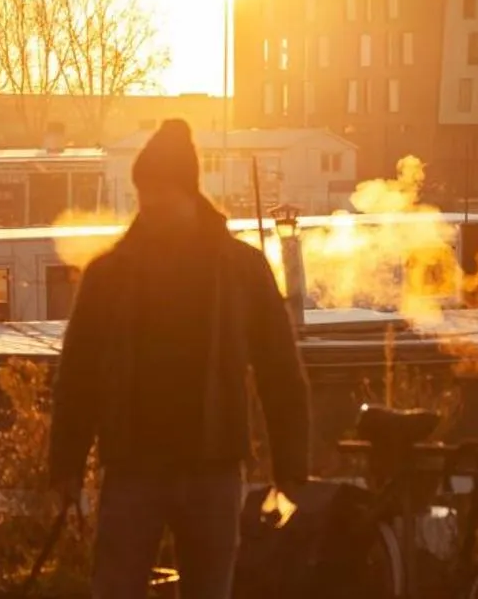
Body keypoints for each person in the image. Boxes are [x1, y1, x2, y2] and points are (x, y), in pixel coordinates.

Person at [51, 119, 310, 599]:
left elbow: (280, 373)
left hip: (185, 470)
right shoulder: (235, 269)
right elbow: (78, 374)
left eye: (157, 194)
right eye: (144, 195)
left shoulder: (122, 273)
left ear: (187, 191)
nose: (149, 206)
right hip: (157, 468)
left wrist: (292, 469)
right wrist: (65, 465)